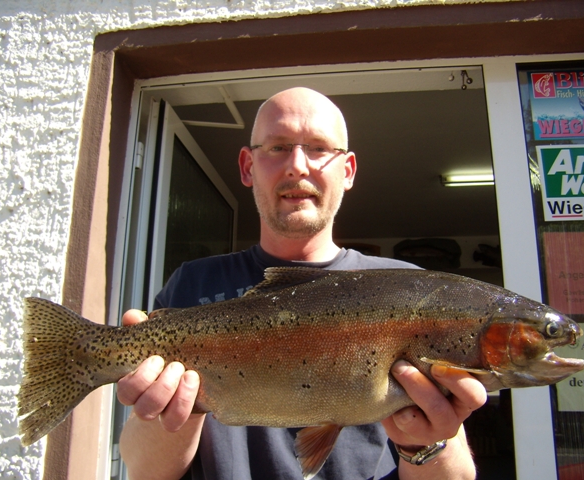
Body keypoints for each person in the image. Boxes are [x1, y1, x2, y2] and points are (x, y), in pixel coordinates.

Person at [118, 87, 486, 480]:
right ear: (247, 166)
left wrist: (423, 444)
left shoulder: (411, 291)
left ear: (347, 171)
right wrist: (173, 409)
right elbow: (144, 470)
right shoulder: (193, 284)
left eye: (318, 148)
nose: (297, 165)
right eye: (278, 147)